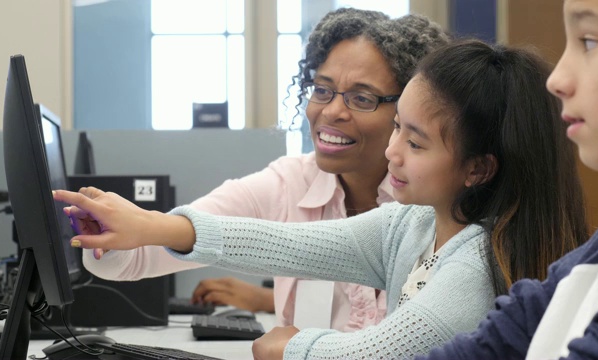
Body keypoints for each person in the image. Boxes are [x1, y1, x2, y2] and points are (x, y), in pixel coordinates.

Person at [54, 37, 588, 359]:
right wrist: (150, 226)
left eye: (415, 141)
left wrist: (290, 345)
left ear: (478, 168)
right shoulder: (411, 225)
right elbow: (282, 243)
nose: (394, 152)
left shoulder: (470, 265)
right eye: (397, 129)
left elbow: (378, 354)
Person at [80, 8, 451, 332]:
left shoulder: (436, 204)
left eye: (362, 98)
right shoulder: (287, 184)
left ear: (407, 111)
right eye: (322, 90)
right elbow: (138, 259)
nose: (332, 111)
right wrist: (105, 236)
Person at [413, 1, 598, 359]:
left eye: (589, 41)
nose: (557, 79)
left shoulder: (473, 260)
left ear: (478, 169)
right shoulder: (585, 262)